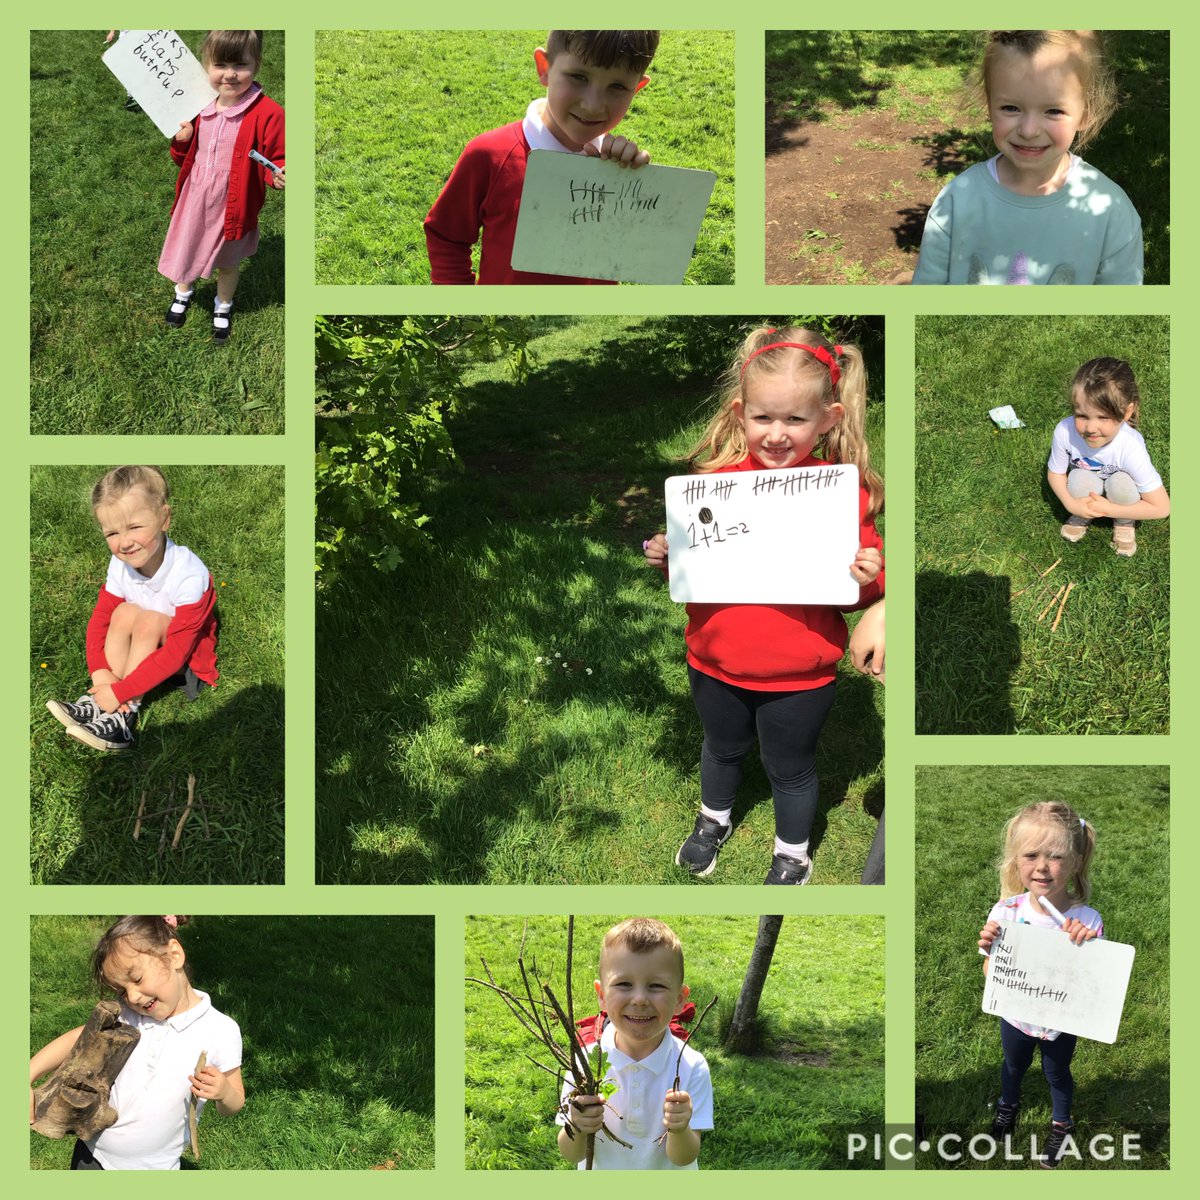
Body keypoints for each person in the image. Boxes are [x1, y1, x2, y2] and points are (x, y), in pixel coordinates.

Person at [644, 327, 884, 884]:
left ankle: (792, 850)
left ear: (828, 418)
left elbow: (861, 596)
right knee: (721, 749)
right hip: (714, 662)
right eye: (763, 418)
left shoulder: (841, 495)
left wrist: (870, 579)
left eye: (795, 421)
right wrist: (668, 557)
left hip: (799, 677)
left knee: (791, 769)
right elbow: (696, 569)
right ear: (740, 412)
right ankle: (714, 819)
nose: (777, 435)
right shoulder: (716, 487)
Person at [424, 29, 658, 284]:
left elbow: (630, 253)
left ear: (637, 88)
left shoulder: (617, 168)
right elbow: (447, 236)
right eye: (579, 77)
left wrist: (630, 190)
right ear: (544, 67)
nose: (592, 104)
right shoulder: (489, 156)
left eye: (617, 86)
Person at [912, 30, 1142, 285]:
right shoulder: (957, 200)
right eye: (1011, 108)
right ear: (989, 105)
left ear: (1086, 113)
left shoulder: (1111, 211)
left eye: (1053, 111)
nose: (1029, 130)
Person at [30, 915, 243, 1170]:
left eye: (138, 979)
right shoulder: (128, 1015)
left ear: (174, 955)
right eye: (121, 990)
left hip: (159, 1166)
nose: (132, 996)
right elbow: (79, 1038)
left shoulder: (220, 1030)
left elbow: (234, 1103)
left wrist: (223, 1093)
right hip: (94, 1157)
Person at [45, 466, 218, 752]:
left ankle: (123, 714)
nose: (124, 542)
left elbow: (177, 652)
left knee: (149, 620)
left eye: (135, 527)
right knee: (122, 612)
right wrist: (100, 672)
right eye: (112, 532)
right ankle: (100, 698)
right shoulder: (121, 564)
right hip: (138, 644)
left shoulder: (189, 574)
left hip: (179, 658)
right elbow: (100, 620)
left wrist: (123, 692)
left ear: (164, 518)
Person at [978, 803, 1101, 1168]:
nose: (1042, 866)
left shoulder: (1086, 920)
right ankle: (1007, 1108)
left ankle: (1062, 1123)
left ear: (1076, 861)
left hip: (1059, 1023)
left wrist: (1087, 944)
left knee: (1057, 1072)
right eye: (1031, 855)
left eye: (1056, 856)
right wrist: (991, 952)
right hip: (1015, 1018)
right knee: (1012, 1067)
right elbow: (990, 974)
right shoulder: (1006, 912)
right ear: (1016, 860)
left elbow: (1092, 981)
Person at [159, 30, 285, 342]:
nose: (229, 74)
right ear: (205, 66)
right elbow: (183, 159)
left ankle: (222, 305)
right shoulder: (197, 106)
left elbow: (277, 157)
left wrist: (279, 172)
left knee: (228, 263)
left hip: (234, 204)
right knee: (187, 248)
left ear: (256, 65)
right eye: (220, 65)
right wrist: (181, 142)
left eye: (240, 65)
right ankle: (182, 293)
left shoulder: (268, 112)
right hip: (196, 198)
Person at [557, 918, 712, 1169]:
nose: (639, 999)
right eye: (624, 984)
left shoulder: (691, 1066)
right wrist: (577, 1124)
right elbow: (571, 1153)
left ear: (679, 999)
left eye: (656, 986)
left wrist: (680, 1128)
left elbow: (684, 1157)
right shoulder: (586, 1062)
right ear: (601, 995)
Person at [1048, 356, 1169, 557]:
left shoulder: (1130, 448)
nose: (1090, 428)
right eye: (1082, 415)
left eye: (1103, 417)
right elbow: (1056, 473)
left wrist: (1110, 509)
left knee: (1123, 484)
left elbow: (1161, 507)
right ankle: (1082, 511)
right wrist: (1070, 503)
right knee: (1077, 479)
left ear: (1126, 412)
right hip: (1088, 481)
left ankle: (1124, 521)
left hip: (1121, 490)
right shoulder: (1064, 431)